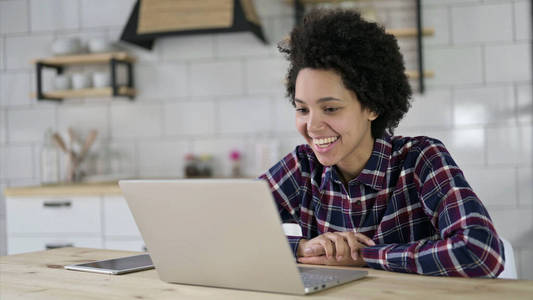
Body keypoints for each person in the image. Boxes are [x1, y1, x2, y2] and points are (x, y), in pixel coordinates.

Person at [259, 9, 505, 277]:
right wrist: (301, 248)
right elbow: (221, 228)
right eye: (302, 109)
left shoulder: (421, 159)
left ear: (372, 106)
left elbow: (481, 253)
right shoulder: (302, 167)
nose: (312, 126)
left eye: (330, 109)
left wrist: (365, 256)